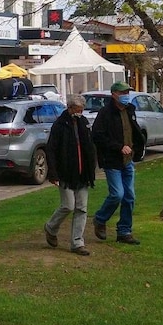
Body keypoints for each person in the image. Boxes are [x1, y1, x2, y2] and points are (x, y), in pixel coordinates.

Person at [91, 81, 146, 245]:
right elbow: (98, 136)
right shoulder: (105, 113)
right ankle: (100, 219)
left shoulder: (129, 110)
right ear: (114, 94)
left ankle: (124, 231)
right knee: (117, 194)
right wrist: (118, 147)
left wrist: (136, 146)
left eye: (127, 92)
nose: (126, 96)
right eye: (122, 93)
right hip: (112, 161)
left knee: (129, 197)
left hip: (128, 161)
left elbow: (133, 131)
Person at [43, 94, 97, 256]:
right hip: (65, 173)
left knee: (82, 208)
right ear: (70, 108)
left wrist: (91, 168)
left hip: (82, 173)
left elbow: (90, 146)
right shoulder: (60, 125)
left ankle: (77, 243)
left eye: (82, 110)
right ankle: (51, 227)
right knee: (68, 205)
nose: (80, 112)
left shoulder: (84, 123)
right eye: (78, 110)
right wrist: (53, 173)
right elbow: (51, 149)